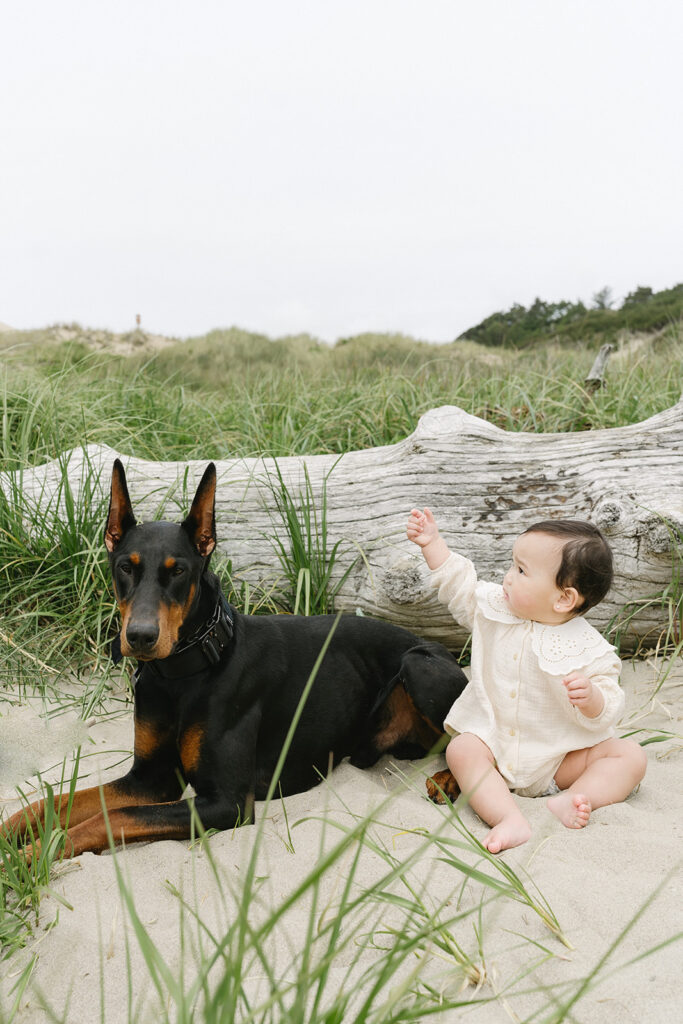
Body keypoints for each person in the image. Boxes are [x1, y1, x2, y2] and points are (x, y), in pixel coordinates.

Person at [406, 509, 647, 854]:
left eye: (521, 571)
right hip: (495, 748)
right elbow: (459, 585)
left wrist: (593, 699)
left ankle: (577, 797)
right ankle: (507, 817)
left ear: (564, 598)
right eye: (512, 565)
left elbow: (610, 703)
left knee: (629, 756)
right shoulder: (495, 610)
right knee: (462, 749)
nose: (507, 578)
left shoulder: (591, 649)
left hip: (557, 760)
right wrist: (432, 543)